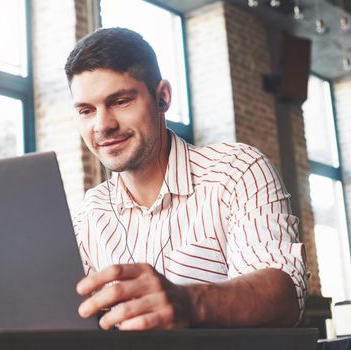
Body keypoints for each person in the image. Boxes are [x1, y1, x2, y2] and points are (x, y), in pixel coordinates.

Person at [64, 27, 307, 331]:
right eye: (86, 111)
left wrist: (190, 302)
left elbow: (285, 296)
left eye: (120, 101)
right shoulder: (89, 213)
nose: (102, 125)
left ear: (162, 97)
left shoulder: (237, 170)